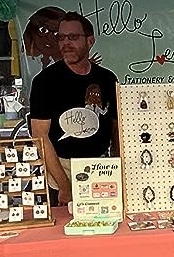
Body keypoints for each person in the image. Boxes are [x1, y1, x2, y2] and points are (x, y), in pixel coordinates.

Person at [29, 13, 118, 202]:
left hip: (101, 171)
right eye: (61, 37)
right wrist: (64, 186)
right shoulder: (45, 82)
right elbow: (40, 136)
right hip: (60, 174)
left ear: (90, 41)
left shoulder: (107, 79)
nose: (65, 43)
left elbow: (116, 127)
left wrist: (117, 167)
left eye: (73, 37)